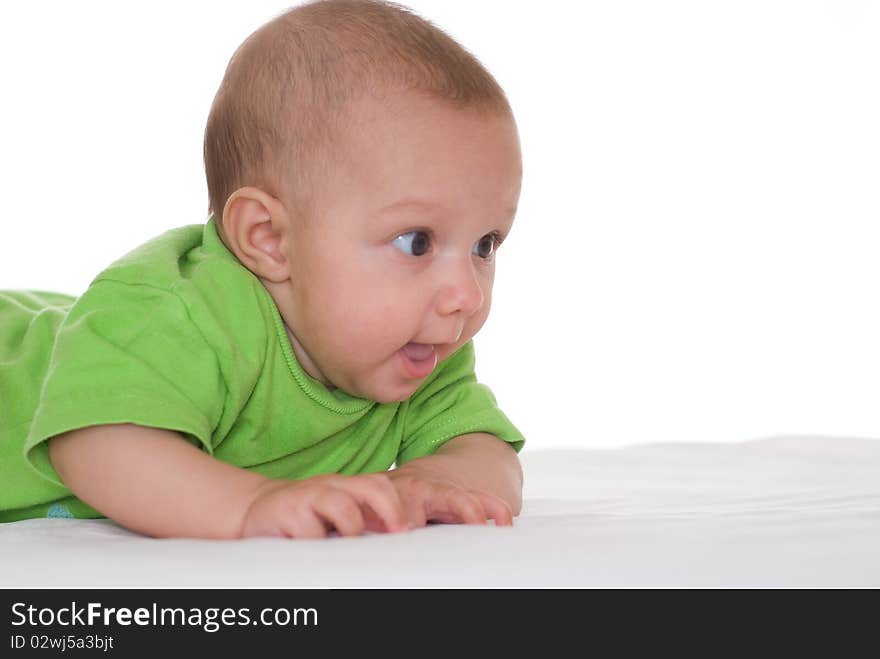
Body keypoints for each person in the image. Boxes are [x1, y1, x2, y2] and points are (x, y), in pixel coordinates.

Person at [0, 0, 524, 539]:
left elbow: (489, 455)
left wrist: (432, 478)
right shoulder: (183, 314)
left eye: (485, 244)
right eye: (416, 243)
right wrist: (251, 505)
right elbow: (95, 441)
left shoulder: (418, 351)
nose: (465, 295)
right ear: (270, 239)